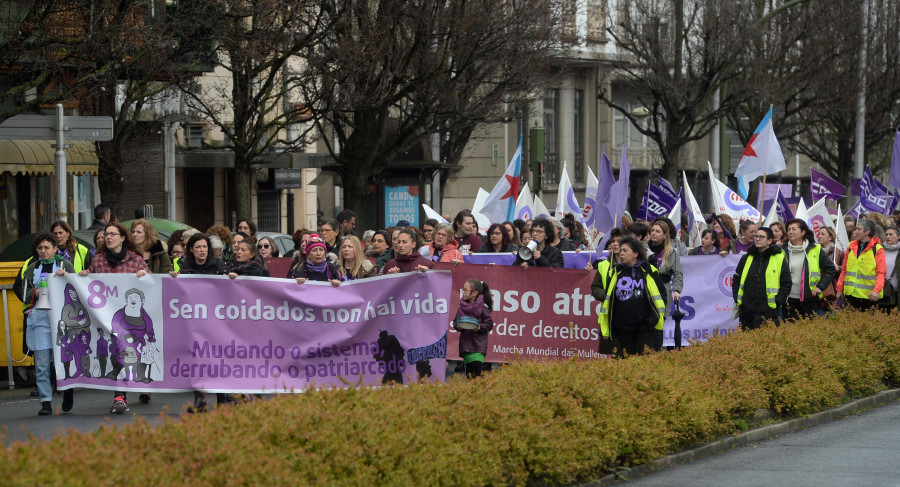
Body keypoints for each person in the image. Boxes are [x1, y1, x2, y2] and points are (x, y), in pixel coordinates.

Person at [80, 222, 150, 414]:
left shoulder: (135, 260)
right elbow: (88, 285)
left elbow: (152, 284)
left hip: (129, 320)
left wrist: (145, 275)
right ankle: (120, 395)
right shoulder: (98, 260)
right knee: (115, 354)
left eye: (112, 234)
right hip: (104, 318)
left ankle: (123, 394)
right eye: (106, 234)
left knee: (125, 353)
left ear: (122, 237)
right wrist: (84, 275)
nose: (108, 237)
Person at [13, 233, 75, 416]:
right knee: (41, 364)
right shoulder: (32, 268)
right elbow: (23, 291)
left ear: (55, 248)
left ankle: (67, 390)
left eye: (47, 247)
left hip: (62, 319)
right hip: (39, 318)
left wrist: (67, 278)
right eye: (40, 248)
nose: (43, 251)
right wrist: (35, 292)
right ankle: (45, 401)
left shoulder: (65, 265)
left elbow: (77, 288)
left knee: (62, 360)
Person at [169, 233, 228, 412]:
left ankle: (221, 398)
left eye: (204, 247)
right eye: (198, 247)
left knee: (217, 359)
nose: (202, 250)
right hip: (193, 321)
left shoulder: (218, 266)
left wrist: (231, 278)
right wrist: (173, 279)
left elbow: (229, 290)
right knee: (196, 360)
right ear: (191, 250)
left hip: (215, 320)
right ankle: (199, 398)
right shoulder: (184, 267)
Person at [596, 236, 667, 357]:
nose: (621, 253)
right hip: (621, 330)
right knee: (624, 368)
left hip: (644, 330)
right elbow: (609, 300)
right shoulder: (614, 272)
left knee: (643, 367)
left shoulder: (649, 270)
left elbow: (662, 296)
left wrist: (650, 322)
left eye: (625, 250)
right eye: (621, 250)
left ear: (635, 253)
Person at [732, 227, 791, 330]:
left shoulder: (779, 258)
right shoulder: (746, 258)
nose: (757, 239)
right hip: (747, 311)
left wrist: (778, 301)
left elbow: (786, 283)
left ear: (769, 241)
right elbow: (736, 279)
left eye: (761, 237)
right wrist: (738, 298)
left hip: (769, 311)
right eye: (756, 236)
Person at [781, 219, 836, 321]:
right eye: (788, 229)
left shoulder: (815, 249)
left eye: (794, 229)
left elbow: (830, 269)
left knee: (808, 330)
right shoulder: (782, 251)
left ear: (803, 232)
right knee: (790, 332)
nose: (790, 232)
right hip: (788, 299)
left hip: (810, 298)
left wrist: (820, 287)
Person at [836, 219, 886, 311]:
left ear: (867, 232)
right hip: (850, 295)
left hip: (869, 296)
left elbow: (881, 273)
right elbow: (844, 270)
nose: (856, 232)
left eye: (858, 229)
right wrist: (839, 288)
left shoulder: (877, 249)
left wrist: (876, 291)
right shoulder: (851, 246)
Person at [453, 279, 494, 378]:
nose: (463, 292)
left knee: (478, 372)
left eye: (465, 289)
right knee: (469, 375)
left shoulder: (483, 309)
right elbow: (455, 322)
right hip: (466, 345)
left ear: (474, 293)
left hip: (478, 346)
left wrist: (479, 327)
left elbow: (489, 324)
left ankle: (481, 392)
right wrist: (458, 326)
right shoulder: (461, 308)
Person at [648, 218, 683, 334]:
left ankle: (657, 350)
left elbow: (678, 273)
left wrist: (677, 290)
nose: (653, 233)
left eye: (658, 231)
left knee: (659, 325)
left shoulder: (671, 252)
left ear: (665, 235)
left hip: (663, 291)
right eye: (652, 230)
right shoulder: (643, 250)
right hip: (646, 291)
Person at [879, 226, 900, 310]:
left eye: (891, 234)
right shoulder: (880, 250)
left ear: (898, 236)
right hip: (882, 290)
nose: (888, 236)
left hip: (897, 292)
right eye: (886, 234)